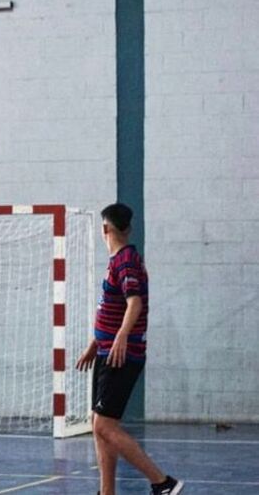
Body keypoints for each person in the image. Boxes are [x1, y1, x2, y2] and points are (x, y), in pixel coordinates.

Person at [76, 203, 183, 495]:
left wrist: (122, 337)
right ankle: (106, 491)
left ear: (104, 229)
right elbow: (111, 308)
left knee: (105, 426)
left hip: (121, 354)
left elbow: (134, 302)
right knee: (98, 424)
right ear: (128, 228)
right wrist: (94, 344)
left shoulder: (126, 261)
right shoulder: (119, 260)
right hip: (106, 350)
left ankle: (163, 483)